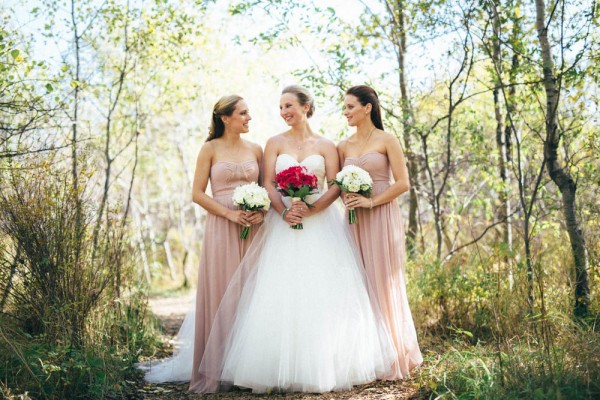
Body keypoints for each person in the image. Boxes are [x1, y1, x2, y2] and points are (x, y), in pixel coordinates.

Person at [191, 85, 396, 393]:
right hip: (282, 222)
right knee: (277, 291)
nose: (284, 112)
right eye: (281, 108)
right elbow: (268, 183)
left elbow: (335, 186)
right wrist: (284, 211)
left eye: (289, 106)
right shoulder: (272, 143)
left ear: (305, 107)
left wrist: (312, 209)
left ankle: (324, 363)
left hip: (320, 225)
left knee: (321, 290)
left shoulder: (328, 145)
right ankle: (272, 366)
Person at [138, 95, 264, 384]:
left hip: (254, 228)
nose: (249, 118)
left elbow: (265, 189)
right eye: (243, 113)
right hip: (222, 226)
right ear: (225, 118)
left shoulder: (257, 150)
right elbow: (197, 193)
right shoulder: (209, 149)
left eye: (249, 112)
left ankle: (246, 367)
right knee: (221, 290)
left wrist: (261, 211)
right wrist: (229, 215)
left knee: (252, 291)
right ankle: (216, 367)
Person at [337, 85, 423, 380]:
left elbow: (402, 183)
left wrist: (371, 200)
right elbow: (336, 185)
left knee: (383, 280)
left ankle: (393, 356)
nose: (345, 112)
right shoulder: (343, 146)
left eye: (350, 107)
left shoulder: (387, 140)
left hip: (381, 213)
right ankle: (365, 358)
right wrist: (347, 199)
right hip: (352, 218)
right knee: (358, 282)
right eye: (344, 107)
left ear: (367, 108)